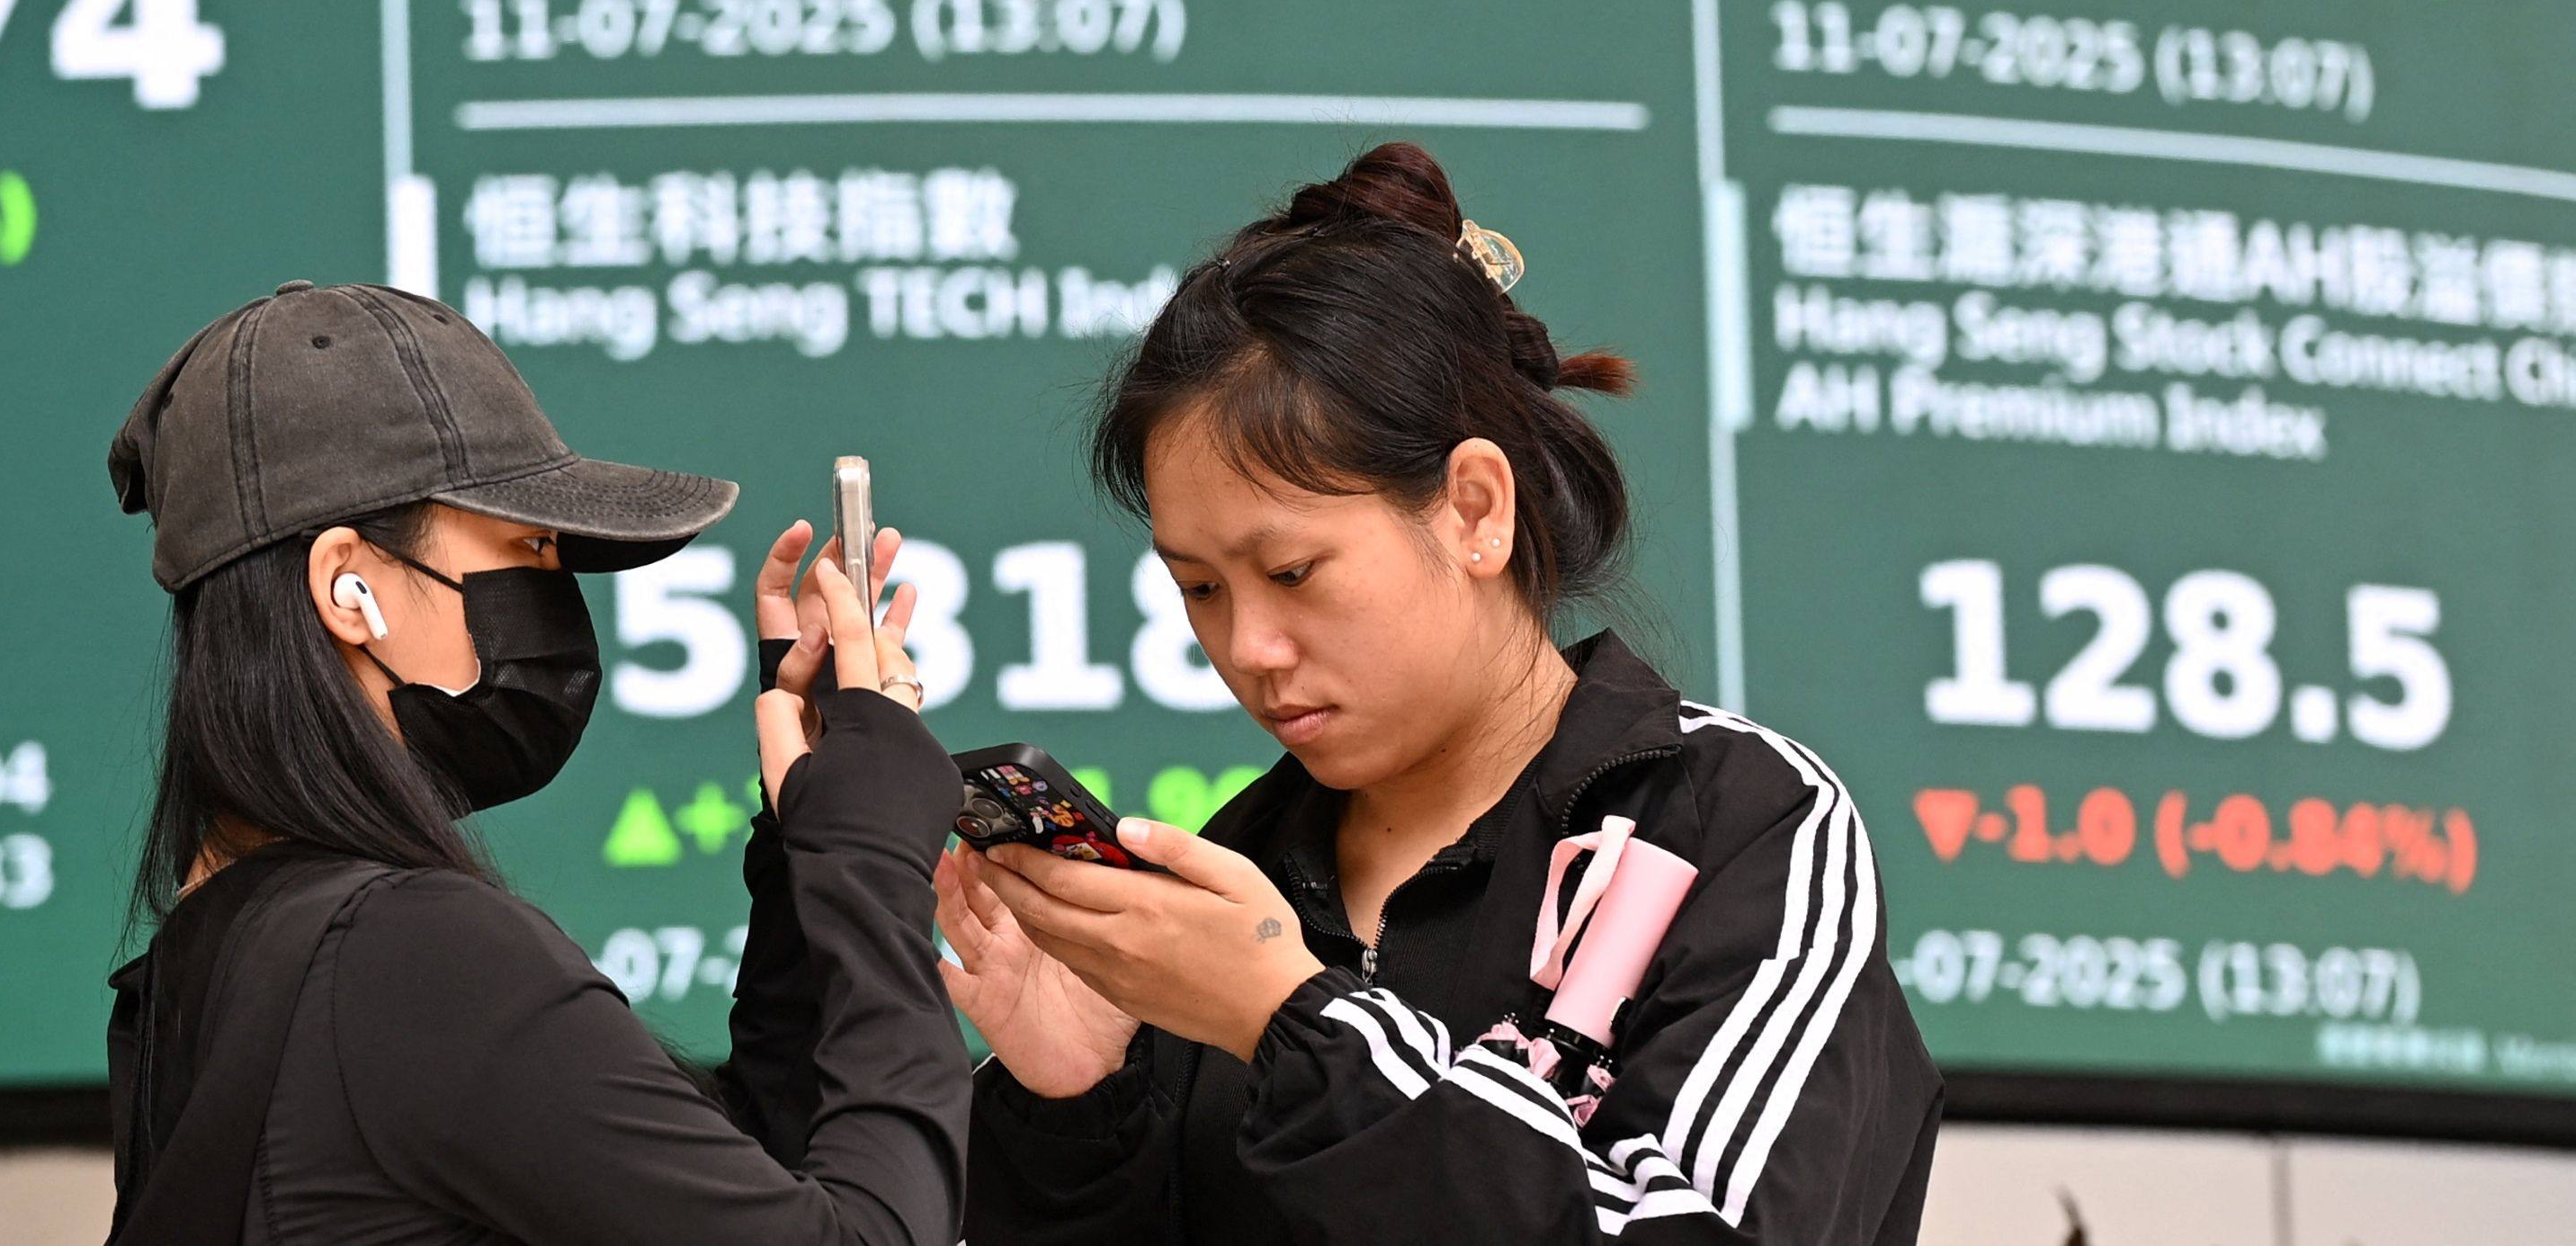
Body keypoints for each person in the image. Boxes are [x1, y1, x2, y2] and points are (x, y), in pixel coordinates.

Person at [944, 145, 1941, 1246]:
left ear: (1473, 508)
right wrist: (1072, 1107)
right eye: (1197, 588)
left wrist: (1295, 1023)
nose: (1249, 647)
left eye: (1291, 573)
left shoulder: (1739, 823)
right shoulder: (1231, 886)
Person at [100, 276, 970, 1246]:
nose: (556, 600)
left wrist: (804, 847)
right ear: (346, 587)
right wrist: (875, 863)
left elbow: (734, 1179)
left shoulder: (219, 950)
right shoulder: (409, 954)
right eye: (529, 548)